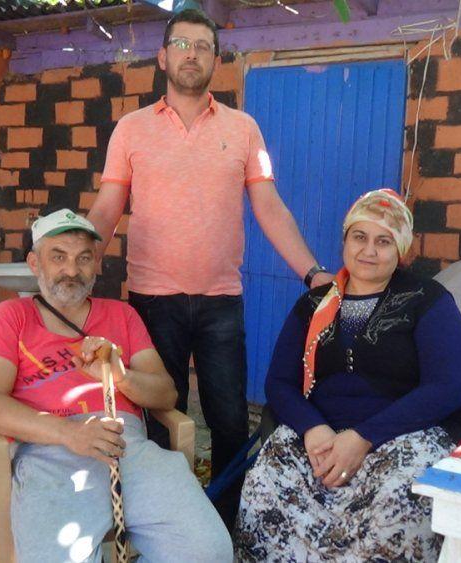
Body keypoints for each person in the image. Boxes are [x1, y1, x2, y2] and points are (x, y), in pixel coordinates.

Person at [86, 8, 334, 529]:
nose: (192, 54)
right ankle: (165, 523)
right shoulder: (131, 129)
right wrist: (79, 264)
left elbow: (270, 208)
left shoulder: (244, 129)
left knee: (229, 422)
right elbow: (107, 208)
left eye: (203, 46)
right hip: (153, 303)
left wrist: (313, 272)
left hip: (221, 302)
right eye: (182, 44)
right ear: (163, 57)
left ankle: (224, 526)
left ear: (216, 61)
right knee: (158, 418)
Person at [0, 209, 233, 563]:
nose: (72, 270)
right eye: (58, 257)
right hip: (49, 455)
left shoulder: (122, 315)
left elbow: (165, 394)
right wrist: (68, 433)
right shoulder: (9, 318)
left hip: (128, 448)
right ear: (34, 263)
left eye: (83, 258)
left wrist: (120, 375)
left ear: (96, 265)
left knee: (209, 552)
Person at [235, 189, 461, 562]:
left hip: (402, 436)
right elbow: (280, 383)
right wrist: (312, 429)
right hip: (320, 437)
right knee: (265, 483)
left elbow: (450, 386)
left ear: (401, 250)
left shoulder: (426, 300)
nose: (369, 250)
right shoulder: (313, 304)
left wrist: (364, 437)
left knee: (404, 499)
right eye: (359, 237)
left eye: (384, 241)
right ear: (345, 241)